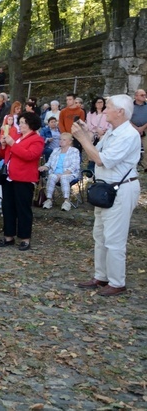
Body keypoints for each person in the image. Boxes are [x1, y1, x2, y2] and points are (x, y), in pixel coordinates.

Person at [72, 95, 141, 296]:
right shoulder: (113, 131)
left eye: (108, 107)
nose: (104, 110)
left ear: (120, 112)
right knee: (100, 235)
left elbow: (101, 160)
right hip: (106, 189)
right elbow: (96, 150)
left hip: (120, 189)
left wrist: (82, 139)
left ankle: (117, 281)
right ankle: (101, 276)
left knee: (114, 238)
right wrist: (87, 134)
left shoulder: (129, 134)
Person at [0, 112, 44, 251]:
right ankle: (8, 236)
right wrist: (4, 146)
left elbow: (30, 156)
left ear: (31, 124)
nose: (21, 125)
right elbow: (3, 155)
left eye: (23, 122)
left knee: (23, 209)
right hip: (9, 177)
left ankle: (25, 238)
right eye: (20, 122)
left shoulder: (37, 139)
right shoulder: (17, 137)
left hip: (24, 179)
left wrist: (12, 144)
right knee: (8, 207)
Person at [38, 133, 80, 211]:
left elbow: (74, 166)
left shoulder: (74, 151)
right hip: (55, 173)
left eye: (64, 140)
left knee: (64, 178)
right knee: (51, 176)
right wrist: (45, 167)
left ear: (70, 141)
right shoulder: (56, 150)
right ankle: (49, 200)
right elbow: (49, 163)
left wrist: (62, 175)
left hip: (69, 174)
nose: (61, 141)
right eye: (60, 139)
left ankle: (66, 202)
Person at [85, 96, 110, 172]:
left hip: (104, 132)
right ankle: (91, 162)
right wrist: (96, 129)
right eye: (98, 102)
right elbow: (88, 124)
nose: (100, 104)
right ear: (94, 104)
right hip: (93, 132)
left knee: (102, 141)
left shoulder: (107, 112)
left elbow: (110, 123)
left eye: (101, 102)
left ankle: (101, 161)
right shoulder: (90, 113)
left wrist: (103, 131)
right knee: (89, 140)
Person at [130, 89, 146, 169]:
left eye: (145, 95)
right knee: (131, 148)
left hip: (145, 129)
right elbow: (127, 118)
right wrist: (136, 128)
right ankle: (132, 165)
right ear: (136, 96)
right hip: (132, 129)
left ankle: (145, 166)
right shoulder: (130, 106)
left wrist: (142, 128)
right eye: (142, 95)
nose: (144, 97)